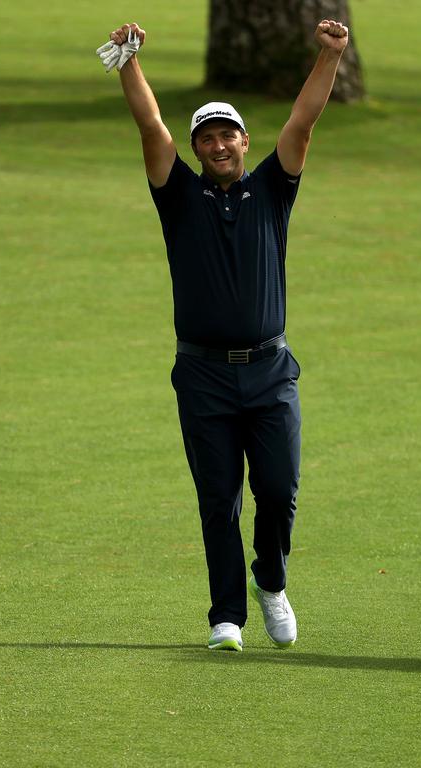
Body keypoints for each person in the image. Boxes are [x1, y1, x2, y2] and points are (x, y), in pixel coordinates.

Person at [105, 19, 350, 651]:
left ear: (245, 141)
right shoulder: (178, 197)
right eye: (206, 138)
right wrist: (130, 62)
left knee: (278, 491)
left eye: (227, 136)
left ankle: (271, 581)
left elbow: (302, 121)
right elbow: (150, 129)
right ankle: (226, 617)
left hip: (270, 371)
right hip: (204, 375)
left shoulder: (273, 188)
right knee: (219, 501)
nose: (218, 146)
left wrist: (329, 55)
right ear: (197, 147)